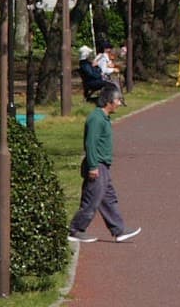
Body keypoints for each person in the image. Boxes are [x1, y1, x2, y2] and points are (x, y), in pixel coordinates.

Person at [69, 85, 140, 243]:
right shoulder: (96, 118)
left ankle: (118, 230)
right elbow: (91, 144)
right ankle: (75, 229)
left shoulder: (104, 118)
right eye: (118, 100)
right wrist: (93, 166)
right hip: (97, 165)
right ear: (109, 101)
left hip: (104, 166)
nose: (119, 104)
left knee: (108, 198)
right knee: (92, 199)